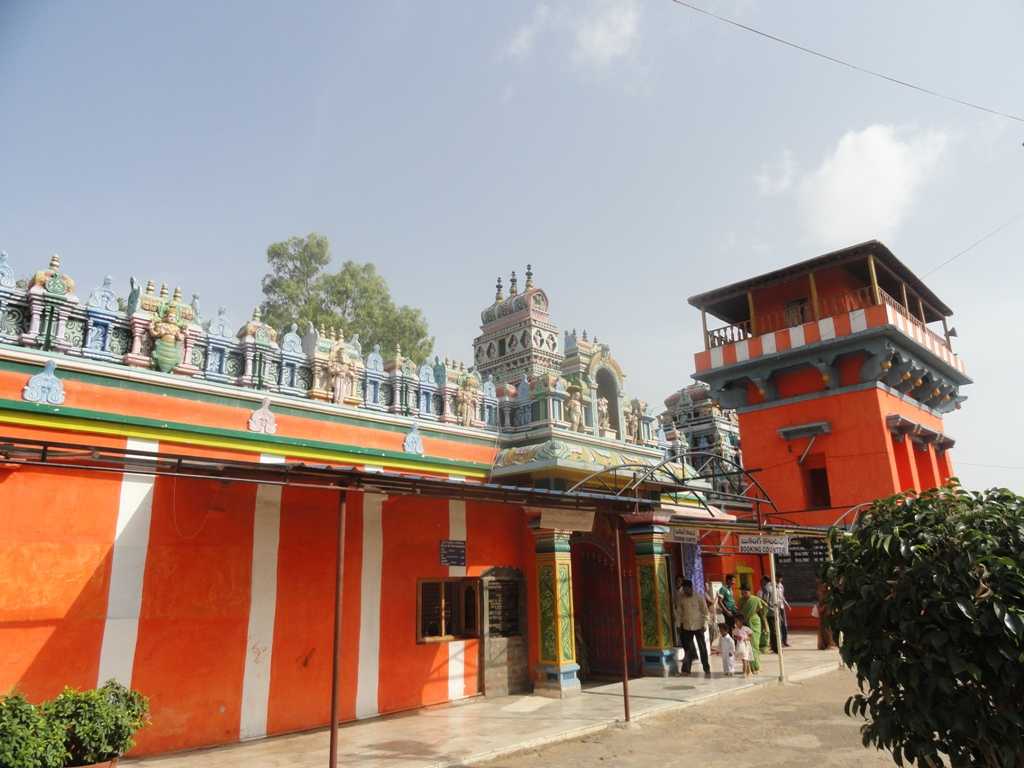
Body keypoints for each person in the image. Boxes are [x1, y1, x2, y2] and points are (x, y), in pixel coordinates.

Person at [674, 577, 711, 676]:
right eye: (684, 590)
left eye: (687, 590)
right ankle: (686, 670)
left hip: (699, 626)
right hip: (686, 626)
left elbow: (705, 612)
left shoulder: (699, 597)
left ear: (691, 588)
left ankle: (706, 668)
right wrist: (678, 625)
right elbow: (679, 613)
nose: (686, 592)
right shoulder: (681, 599)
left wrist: (704, 624)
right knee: (688, 649)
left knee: (702, 648)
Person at [738, 584, 767, 674]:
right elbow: (740, 613)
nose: (744, 594)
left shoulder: (756, 600)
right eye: (742, 592)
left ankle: (756, 667)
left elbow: (763, 611)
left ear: (750, 592)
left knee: (755, 645)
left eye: (745, 592)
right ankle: (750, 668)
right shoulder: (741, 600)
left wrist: (765, 624)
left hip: (755, 623)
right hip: (745, 624)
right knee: (747, 646)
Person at [760, 575, 779, 654]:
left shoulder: (766, 588)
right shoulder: (774, 587)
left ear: (765, 581)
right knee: (775, 629)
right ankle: (776, 647)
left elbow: (765, 600)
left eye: (762, 581)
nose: (761, 583)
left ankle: (775, 648)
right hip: (775, 610)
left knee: (772, 630)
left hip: (769, 611)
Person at [777, 576, 791, 647]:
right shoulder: (771, 586)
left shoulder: (781, 586)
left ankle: (784, 641)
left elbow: (782, 596)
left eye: (780, 578)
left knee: (784, 625)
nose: (779, 579)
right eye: (778, 578)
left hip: (781, 606)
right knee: (777, 625)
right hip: (775, 607)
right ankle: (777, 642)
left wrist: (787, 604)